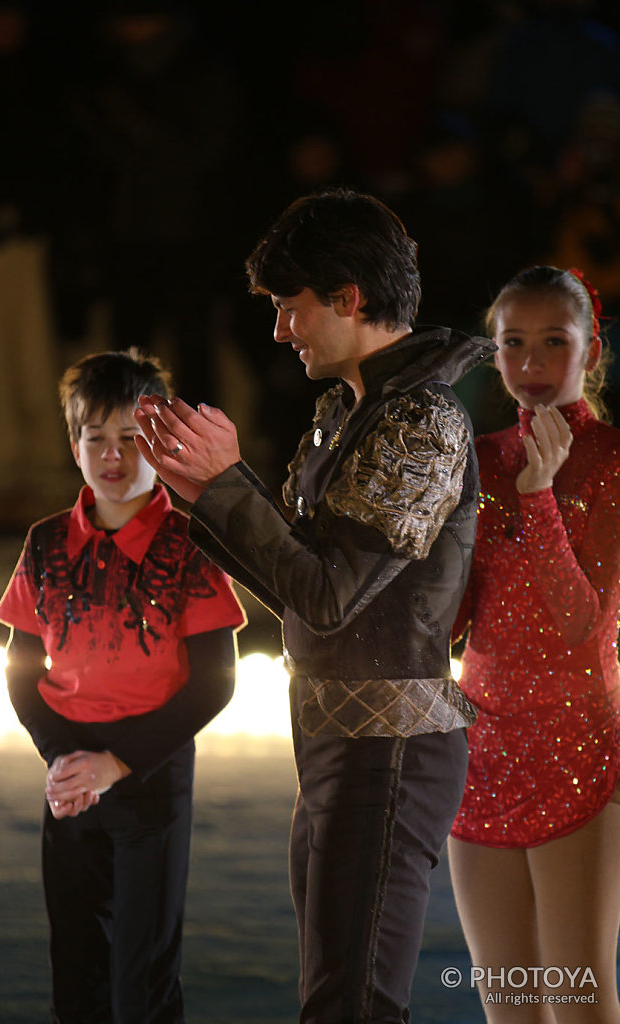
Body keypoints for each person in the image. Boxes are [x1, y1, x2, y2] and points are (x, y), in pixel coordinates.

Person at [133, 188, 495, 1023]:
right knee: (334, 993)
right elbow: (304, 588)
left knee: (351, 1000)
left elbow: (327, 597)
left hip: (389, 749)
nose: (277, 331)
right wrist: (204, 499)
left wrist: (227, 487)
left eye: (288, 309)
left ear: (348, 298)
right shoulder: (352, 410)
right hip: (342, 737)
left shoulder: (421, 420)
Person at [0, 348, 245, 1024]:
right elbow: (20, 670)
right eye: (95, 437)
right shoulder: (45, 542)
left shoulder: (187, 543)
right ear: (72, 442)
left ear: (156, 443)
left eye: (131, 438)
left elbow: (215, 682)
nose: (113, 455)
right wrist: (64, 759)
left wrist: (118, 762)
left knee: (142, 981)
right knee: (74, 972)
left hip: (151, 776)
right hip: (68, 774)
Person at [447, 266, 620, 1022]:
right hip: (478, 747)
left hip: (574, 747)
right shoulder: (475, 458)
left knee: (575, 993)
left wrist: (539, 498)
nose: (531, 363)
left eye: (554, 341)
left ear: (590, 352)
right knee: (507, 998)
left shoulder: (611, 459)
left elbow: (584, 626)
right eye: (512, 343)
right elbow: (452, 621)